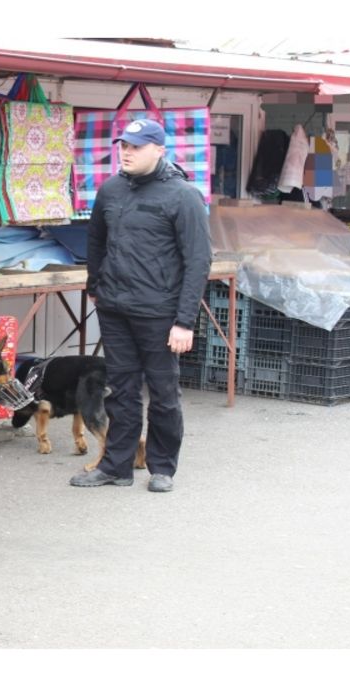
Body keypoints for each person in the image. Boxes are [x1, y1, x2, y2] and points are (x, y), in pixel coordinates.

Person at [71, 118, 211, 493]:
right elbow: (96, 241)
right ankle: (116, 466)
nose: (127, 152)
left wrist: (185, 321)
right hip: (115, 307)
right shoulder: (111, 189)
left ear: (159, 149)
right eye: (124, 146)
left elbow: (198, 261)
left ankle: (162, 467)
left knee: (163, 392)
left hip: (160, 312)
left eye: (136, 146)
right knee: (121, 390)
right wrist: (95, 284)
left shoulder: (183, 196)